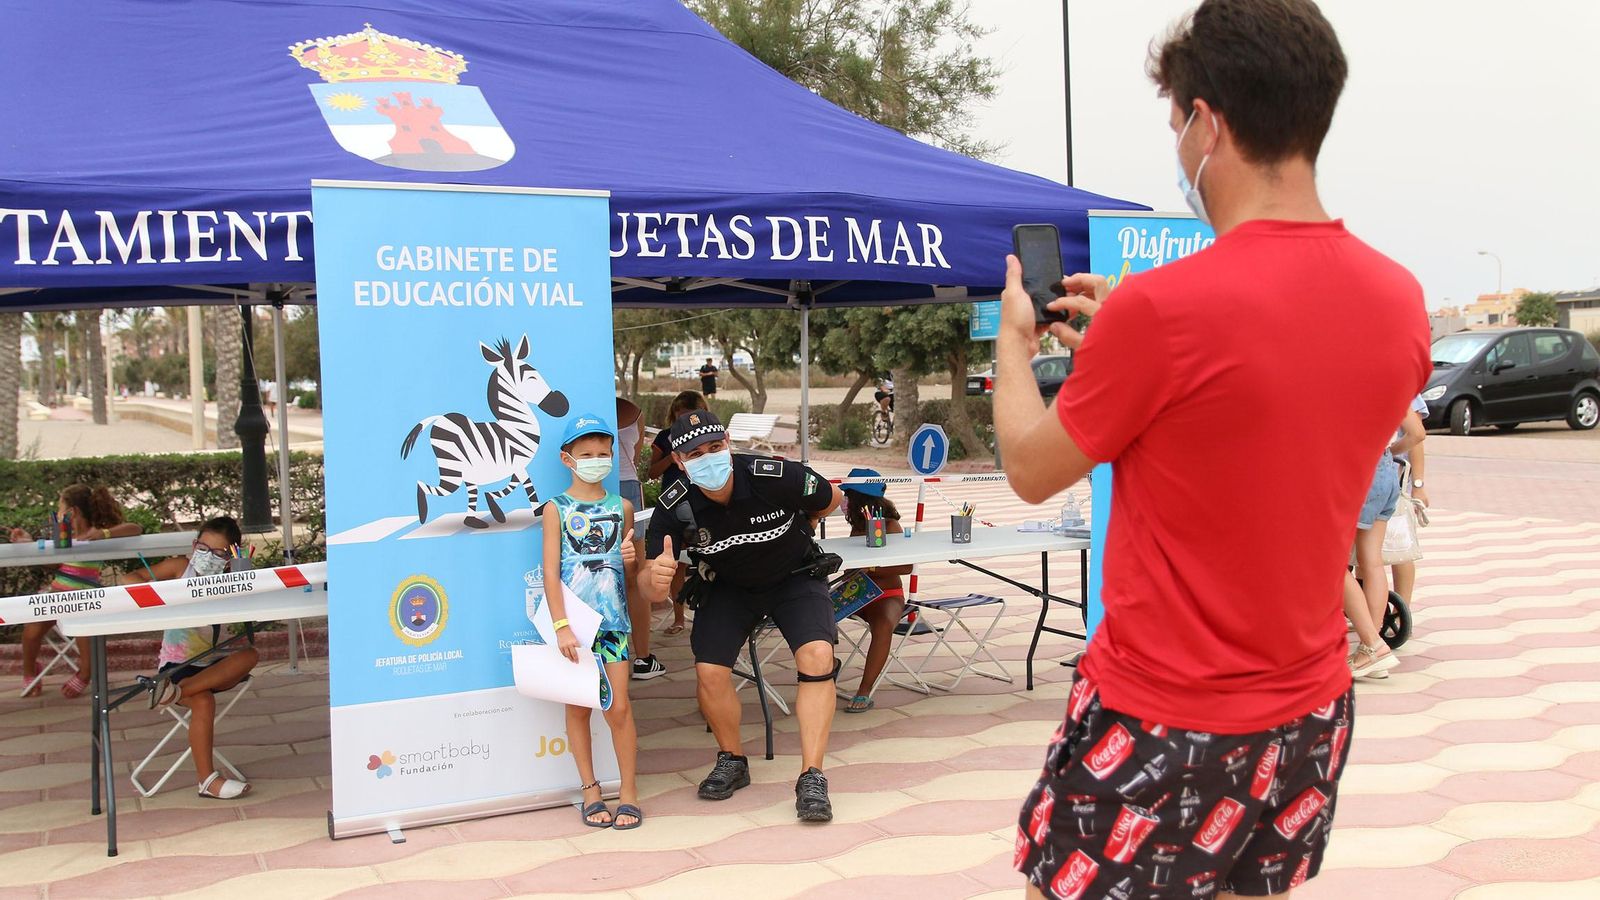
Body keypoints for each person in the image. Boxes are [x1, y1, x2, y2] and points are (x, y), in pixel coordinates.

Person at [992, 2, 1431, 896]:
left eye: (1174, 122)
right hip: (1309, 710)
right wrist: (1135, 350)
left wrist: (1011, 340)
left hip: (1160, 717)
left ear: (1208, 122)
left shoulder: (1164, 312)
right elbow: (1265, 401)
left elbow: (1030, 471)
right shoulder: (1400, 303)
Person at [638, 410, 843, 822]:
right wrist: (654, 579)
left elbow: (832, 499)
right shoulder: (673, 506)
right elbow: (648, 583)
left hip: (794, 578)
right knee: (710, 670)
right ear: (678, 460)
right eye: (695, 454)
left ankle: (812, 775)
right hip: (728, 586)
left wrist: (807, 521)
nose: (708, 458)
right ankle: (732, 759)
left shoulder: (774, 475)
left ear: (728, 442)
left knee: (817, 655)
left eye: (715, 448)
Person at [540, 414, 642, 829]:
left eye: (603, 453)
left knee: (618, 708)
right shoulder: (555, 510)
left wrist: (634, 564)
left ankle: (630, 792)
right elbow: (549, 572)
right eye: (586, 455)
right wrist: (561, 626)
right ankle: (591, 790)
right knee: (579, 708)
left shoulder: (624, 507)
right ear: (568, 459)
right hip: (575, 629)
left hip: (613, 626)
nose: (596, 460)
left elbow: (630, 576)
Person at [122, 516, 259, 799]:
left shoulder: (231, 578)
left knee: (250, 655)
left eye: (219, 553)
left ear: (232, 555)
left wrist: (239, 577)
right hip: (176, 665)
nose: (208, 557)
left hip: (209, 663)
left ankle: (171, 694)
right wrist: (158, 598)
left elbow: (252, 607)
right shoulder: (180, 567)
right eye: (203, 548)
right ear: (194, 545)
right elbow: (131, 578)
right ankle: (207, 781)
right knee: (204, 701)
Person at [10, 484, 142, 698]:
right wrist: (28, 543)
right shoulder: (64, 536)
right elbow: (54, 565)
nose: (58, 514)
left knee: (84, 628)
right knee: (31, 631)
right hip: (56, 594)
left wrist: (103, 533)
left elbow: (135, 528)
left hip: (84, 598)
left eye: (60, 509)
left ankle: (86, 672)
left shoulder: (97, 532)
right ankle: (30, 670)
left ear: (72, 512)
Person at [1346, 399, 1426, 679]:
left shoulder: (1349, 382)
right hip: (1385, 469)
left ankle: (1372, 644)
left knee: (1332, 563)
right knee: (1373, 563)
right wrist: (1391, 451)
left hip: (1356, 470)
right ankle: (1372, 650)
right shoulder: (1394, 384)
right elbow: (1417, 433)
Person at [837, 468, 911, 713]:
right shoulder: (858, 525)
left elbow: (905, 566)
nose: (844, 502)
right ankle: (826, 667)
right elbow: (852, 566)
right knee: (817, 614)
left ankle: (864, 690)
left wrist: (867, 568)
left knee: (882, 627)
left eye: (848, 496)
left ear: (861, 499)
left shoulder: (890, 525)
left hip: (886, 595)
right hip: (857, 591)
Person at [646, 390, 707, 638]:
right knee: (675, 564)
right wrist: (673, 458)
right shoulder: (664, 437)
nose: (686, 419)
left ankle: (710, 615)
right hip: (673, 506)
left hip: (701, 502)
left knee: (706, 559)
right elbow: (651, 472)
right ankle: (679, 618)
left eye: (692, 414)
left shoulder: (704, 435)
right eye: (682, 414)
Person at [615, 397, 664, 681]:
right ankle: (643, 657)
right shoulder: (633, 411)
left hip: (591, 487)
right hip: (628, 487)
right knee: (635, 575)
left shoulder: (579, 397)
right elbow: (635, 458)